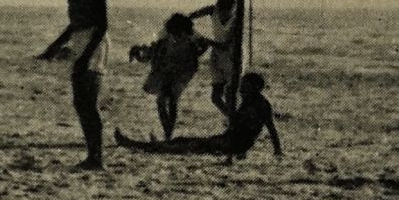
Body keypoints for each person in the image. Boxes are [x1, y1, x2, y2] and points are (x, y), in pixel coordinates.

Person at [39, 0, 108, 170]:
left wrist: (85, 56)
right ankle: (94, 156)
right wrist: (54, 46)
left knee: (87, 102)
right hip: (84, 39)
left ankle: (96, 158)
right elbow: (76, 22)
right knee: (82, 102)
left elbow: (102, 23)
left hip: (92, 42)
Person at [116, 72, 282, 160]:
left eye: (245, 87)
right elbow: (236, 122)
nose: (241, 90)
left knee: (186, 145)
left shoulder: (261, 105)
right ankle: (154, 145)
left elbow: (271, 130)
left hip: (233, 143)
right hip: (230, 141)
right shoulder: (248, 101)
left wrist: (277, 152)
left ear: (256, 88)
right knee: (183, 142)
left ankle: (143, 145)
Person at [141, 13, 208, 141]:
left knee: (173, 100)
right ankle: (168, 131)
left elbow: (204, 45)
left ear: (185, 31)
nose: (177, 36)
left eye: (180, 34)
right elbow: (154, 51)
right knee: (160, 101)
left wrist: (196, 54)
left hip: (183, 72)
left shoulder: (191, 37)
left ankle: (168, 134)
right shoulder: (165, 36)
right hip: (167, 69)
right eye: (174, 34)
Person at [189, 0, 239, 117]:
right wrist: (189, 18)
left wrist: (207, 41)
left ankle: (233, 122)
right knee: (215, 98)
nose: (221, 14)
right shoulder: (213, 10)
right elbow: (202, 12)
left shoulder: (236, 22)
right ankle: (232, 119)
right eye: (220, 10)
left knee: (229, 94)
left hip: (232, 57)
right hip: (217, 57)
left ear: (232, 9)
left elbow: (225, 45)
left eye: (225, 11)